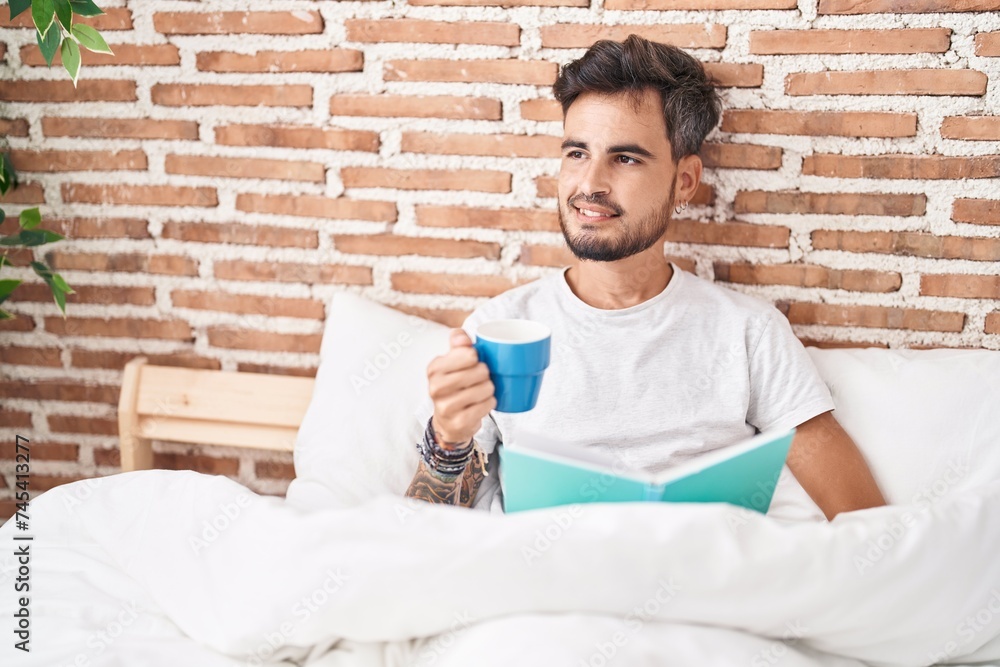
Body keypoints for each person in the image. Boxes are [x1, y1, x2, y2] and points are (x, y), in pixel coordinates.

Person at [405, 35, 886, 519]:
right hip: (550, 585)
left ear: (685, 181)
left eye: (626, 158)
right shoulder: (501, 328)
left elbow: (865, 523)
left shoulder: (749, 333)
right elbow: (422, 531)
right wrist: (448, 438)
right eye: (576, 153)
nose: (589, 184)